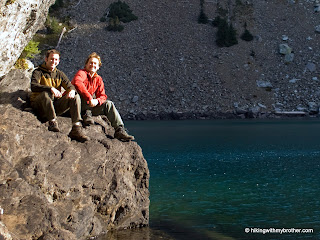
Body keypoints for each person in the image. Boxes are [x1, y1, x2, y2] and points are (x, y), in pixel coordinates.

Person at [71, 52, 134, 141]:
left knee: (109, 104)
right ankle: (86, 113)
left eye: (95, 63)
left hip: (91, 105)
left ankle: (119, 130)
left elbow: (103, 95)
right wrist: (89, 98)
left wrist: (97, 101)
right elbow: (77, 83)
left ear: (98, 66)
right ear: (86, 64)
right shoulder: (82, 73)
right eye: (90, 63)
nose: (92, 65)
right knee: (82, 91)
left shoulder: (98, 79)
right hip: (77, 106)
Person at [30, 49, 89, 142]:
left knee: (75, 96)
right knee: (46, 94)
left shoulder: (60, 74)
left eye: (56, 60)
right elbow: (34, 86)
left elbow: (70, 86)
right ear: (46, 59)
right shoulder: (38, 72)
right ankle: (52, 122)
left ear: (59, 61)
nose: (54, 61)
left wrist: (72, 91)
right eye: (51, 59)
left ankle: (76, 128)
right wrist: (50, 88)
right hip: (39, 106)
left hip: (53, 106)